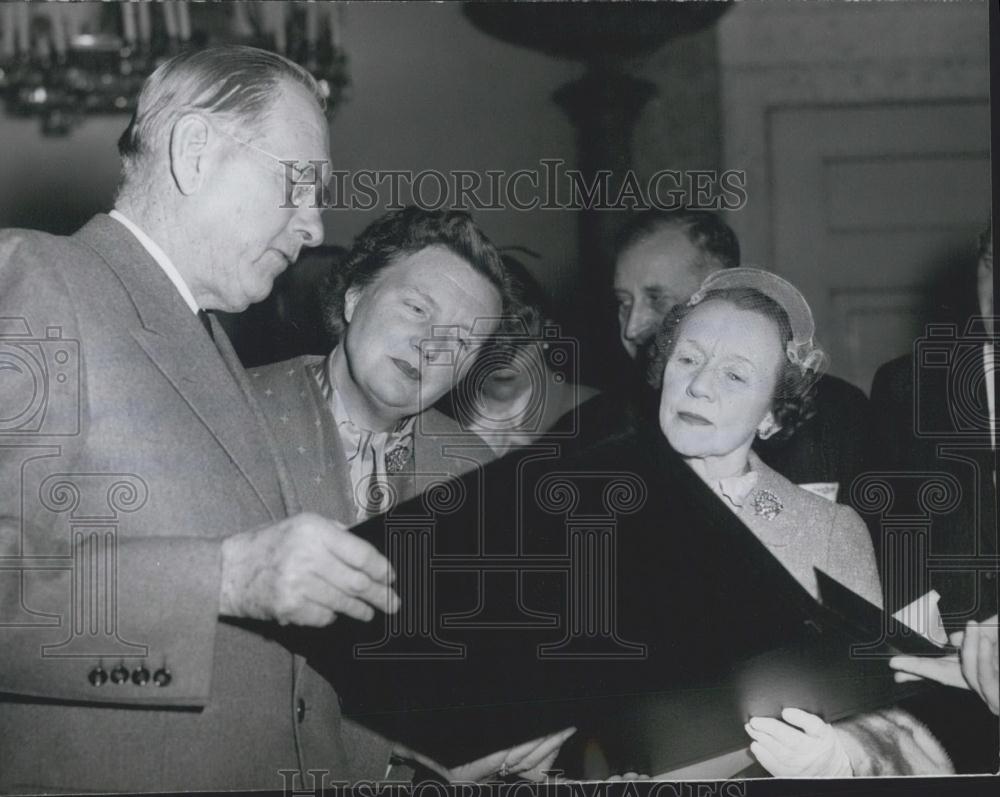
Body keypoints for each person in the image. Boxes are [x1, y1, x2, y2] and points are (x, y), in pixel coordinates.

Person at [0, 46, 409, 793]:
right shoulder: (40, 278)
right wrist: (227, 577)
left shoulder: (213, 343)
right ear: (194, 151)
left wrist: (404, 760)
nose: (315, 226)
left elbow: (260, 687)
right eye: (299, 184)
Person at [645, 268, 951, 778]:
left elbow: (881, 707)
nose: (698, 386)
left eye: (735, 375)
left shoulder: (826, 532)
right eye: (689, 359)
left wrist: (838, 756)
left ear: (771, 415)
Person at [613, 209, 870, 503]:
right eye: (624, 302)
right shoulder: (604, 427)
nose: (632, 328)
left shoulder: (835, 415)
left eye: (657, 300)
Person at [864, 220, 997, 773]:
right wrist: (935, 645)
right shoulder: (909, 387)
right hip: (940, 706)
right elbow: (888, 545)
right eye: (991, 263)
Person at [446, 251, 602, 457]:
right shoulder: (436, 413)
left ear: (545, 334)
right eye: (490, 345)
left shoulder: (590, 410)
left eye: (522, 343)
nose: (504, 362)